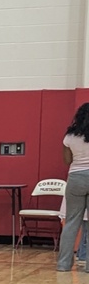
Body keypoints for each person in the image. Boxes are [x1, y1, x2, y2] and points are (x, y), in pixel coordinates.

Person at [58, 102, 89, 272]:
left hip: (76, 178)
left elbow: (67, 160)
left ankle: (63, 264)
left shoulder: (70, 136)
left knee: (71, 222)